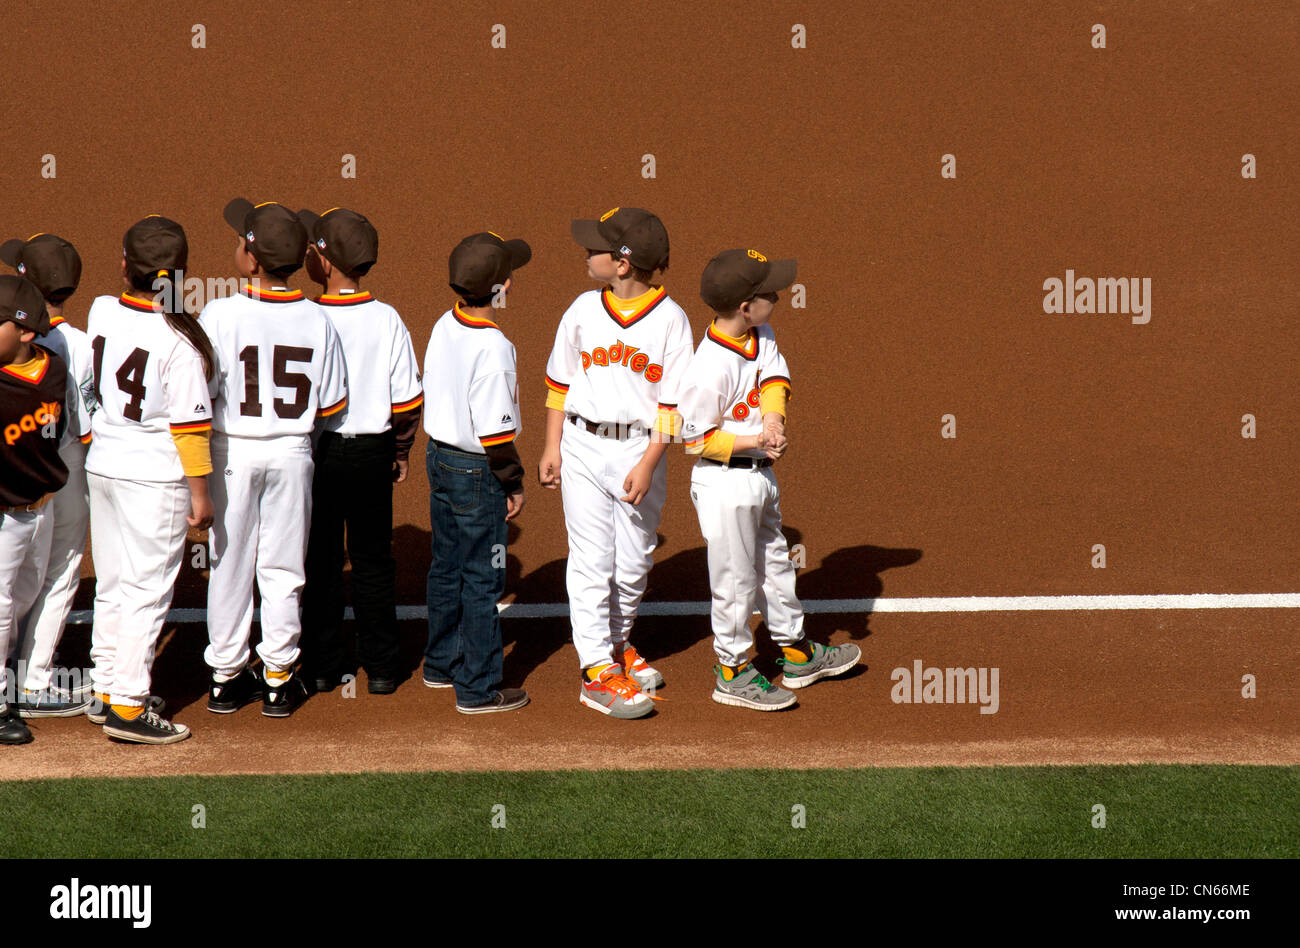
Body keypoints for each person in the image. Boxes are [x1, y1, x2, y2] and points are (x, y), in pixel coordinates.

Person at [677, 249, 860, 711]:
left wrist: (773, 422)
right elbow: (695, 442)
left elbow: (773, 376)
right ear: (744, 306)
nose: (777, 295)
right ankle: (731, 671)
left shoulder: (761, 333)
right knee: (735, 582)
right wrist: (755, 436)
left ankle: (796, 652)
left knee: (776, 565)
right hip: (724, 485)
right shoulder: (707, 368)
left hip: (760, 477)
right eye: (767, 293)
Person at [538, 207, 693, 719]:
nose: (587, 252)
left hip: (637, 452)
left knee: (633, 562)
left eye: (596, 247)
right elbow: (559, 384)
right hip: (581, 446)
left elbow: (673, 408)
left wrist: (650, 461)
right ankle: (596, 671)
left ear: (623, 264)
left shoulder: (672, 321)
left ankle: (617, 643)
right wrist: (551, 446)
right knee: (589, 560)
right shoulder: (582, 308)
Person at [198, 199, 348, 718]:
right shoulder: (319, 319)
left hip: (232, 450)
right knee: (284, 567)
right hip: (292, 452)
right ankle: (280, 680)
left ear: (252, 259)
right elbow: (333, 405)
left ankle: (225, 678)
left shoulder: (217, 313)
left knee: (229, 562)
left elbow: (204, 391)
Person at [84, 215, 214, 744]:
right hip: (153, 478)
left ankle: (106, 687)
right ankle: (130, 707)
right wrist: (201, 495)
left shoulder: (100, 309)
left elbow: (90, 389)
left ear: (124, 265)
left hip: (104, 466)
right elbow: (190, 430)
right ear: (180, 275)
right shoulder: (179, 340)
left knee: (114, 584)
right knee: (146, 591)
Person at [297, 207, 422, 696]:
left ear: (324, 263)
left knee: (321, 560)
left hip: (319, 454)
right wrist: (402, 451)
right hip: (373, 453)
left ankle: (324, 666)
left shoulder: (306, 316)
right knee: (373, 561)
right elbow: (408, 402)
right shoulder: (387, 318)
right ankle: (384, 669)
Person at [422, 232, 531, 714]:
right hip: (477, 469)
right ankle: (479, 687)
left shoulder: (445, 322)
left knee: (446, 566)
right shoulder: (496, 347)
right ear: (503, 288)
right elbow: (496, 434)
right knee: (484, 576)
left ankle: (441, 664)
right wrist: (513, 482)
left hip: (439, 458)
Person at [1, 235, 95, 718]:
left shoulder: (25, 344)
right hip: (69, 466)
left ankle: (18, 676)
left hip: (29, 469)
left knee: (21, 576)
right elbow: (89, 423)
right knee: (58, 572)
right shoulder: (80, 343)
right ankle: (34, 675)